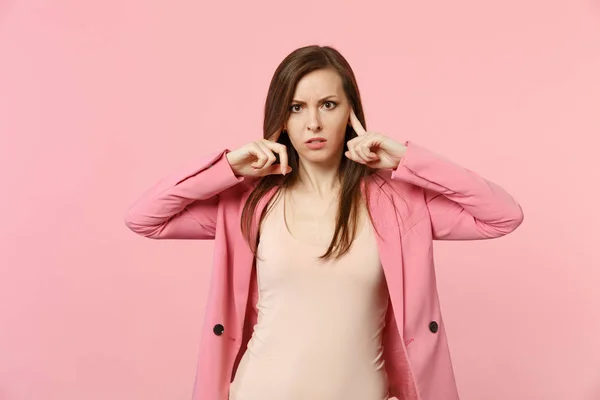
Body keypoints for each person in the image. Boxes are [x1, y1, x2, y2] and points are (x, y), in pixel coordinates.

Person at [124, 45, 524, 400]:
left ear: (351, 112)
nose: (312, 123)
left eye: (328, 104)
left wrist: (405, 159)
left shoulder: (396, 205)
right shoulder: (250, 203)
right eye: (296, 108)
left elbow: (501, 216)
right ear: (280, 118)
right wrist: (228, 166)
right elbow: (145, 218)